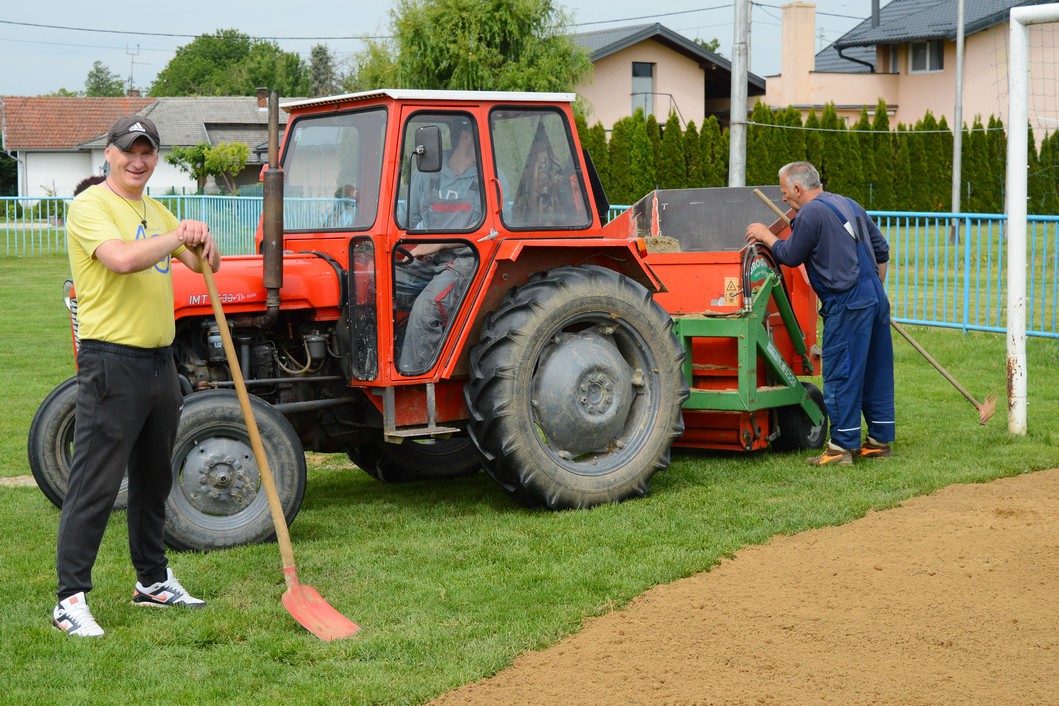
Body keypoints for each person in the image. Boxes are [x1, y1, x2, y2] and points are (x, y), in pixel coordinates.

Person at [52, 115, 221, 637]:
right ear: (109, 153)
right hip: (112, 362)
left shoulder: (153, 207)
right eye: (129, 150)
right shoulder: (91, 206)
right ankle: (69, 599)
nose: (138, 160)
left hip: (158, 361)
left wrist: (201, 239)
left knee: (154, 478)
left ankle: (151, 581)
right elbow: (122, 260)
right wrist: (175, 234)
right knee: (95, 483)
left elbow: (203, 266)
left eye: (148, 152)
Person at [745, 161, 894, 466]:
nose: (784, 198)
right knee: (876, 370)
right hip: (875, 296)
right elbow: (882, 250)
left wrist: (764, 235)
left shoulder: (810, 213)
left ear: (798, 189)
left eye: (785, 192)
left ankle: (841, 448)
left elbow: (789, 255)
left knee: (842, 370)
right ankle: (879, 441)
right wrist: (873, 290)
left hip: (847, 300)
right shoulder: (848, 203)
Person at [395, 122, 480, 373]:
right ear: (466, 137)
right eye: (482, 138)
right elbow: (405, 219)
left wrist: (432, 244)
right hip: (430, 259)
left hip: (469, 258)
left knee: (426, 309)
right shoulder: (427, 174)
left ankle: (416, 384)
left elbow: (489, 233)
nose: (488, 147)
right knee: (369, 286)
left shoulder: (488, 177)